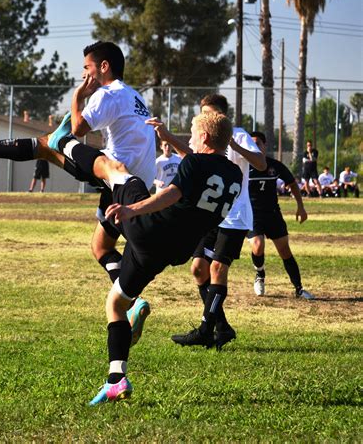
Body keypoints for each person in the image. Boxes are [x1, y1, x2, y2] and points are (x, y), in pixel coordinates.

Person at [0, 41, 156, 344]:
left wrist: (79, 95)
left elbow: (78, 127)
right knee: (101, 247)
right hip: (135, 182)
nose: (84, 75)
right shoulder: (135, 96)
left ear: (103, 67)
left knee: (51, 143)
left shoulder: (107, 93)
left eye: (87, 68)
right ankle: (132, 300)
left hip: (115, 173)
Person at [56, 111, 240, 405]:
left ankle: (62, 141)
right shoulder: (234, 174)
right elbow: (200, 164)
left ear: (204, 137)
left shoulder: (193, 162)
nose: (189, 139)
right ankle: (116, 379)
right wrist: (169, 138)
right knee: (115, 303)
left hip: (149, 230)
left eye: (192, 133)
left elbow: (171, 194)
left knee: (116, 168)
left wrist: (133, 210)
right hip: (173, 251)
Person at [151, 94, 267, 350]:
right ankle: (222, 327)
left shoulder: (238, 134)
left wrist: (235, 147)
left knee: (217, 269)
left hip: (234, 215)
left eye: (210, 113)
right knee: (198, 269)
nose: (206, 118)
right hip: (210, 212)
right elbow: (195, 157)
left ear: (223, 116)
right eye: (203, 113)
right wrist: (168, 137)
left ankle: (206, 329)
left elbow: (261, 163)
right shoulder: (205, 134)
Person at [248, 131, 314, 299]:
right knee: (257, 245)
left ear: (265, 146)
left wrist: (301, 207)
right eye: (252, 144)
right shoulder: (243, 167)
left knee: (284, 250)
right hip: (253, 215)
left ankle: (299, 289)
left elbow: (292, 183)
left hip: (273, 214)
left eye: (258, 144)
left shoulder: (274, 166)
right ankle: (260, 274)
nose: (255, 147)